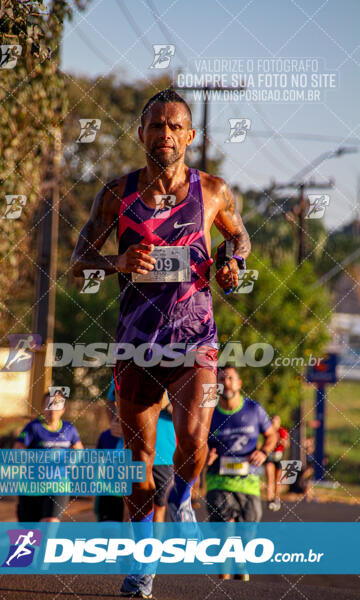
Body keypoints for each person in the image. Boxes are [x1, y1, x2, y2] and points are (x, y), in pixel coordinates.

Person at [71, 88, 250, 598]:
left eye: (175, 127)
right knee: (139, 465)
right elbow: (81, 256)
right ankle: (143, 566)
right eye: (156, 125)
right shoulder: (117, 193)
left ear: (190, 136)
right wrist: (116, 263)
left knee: (195, 438)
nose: (165, 134)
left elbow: (239, 237)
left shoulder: (213, 190)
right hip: (136, 344)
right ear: (141, 133)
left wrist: (234, 261)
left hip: (197, 339)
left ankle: (186, 496)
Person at [206, 365, 277, 581]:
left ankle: (241, 568)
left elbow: (271, 436)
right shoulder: (209, 412)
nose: (225, 382)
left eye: (230, 378)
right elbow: (196, 442)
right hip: (218, 480)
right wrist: (204, 455)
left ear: (239, 383)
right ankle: (224, 580)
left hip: (249, 482)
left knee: (247, 535)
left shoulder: (254, 409)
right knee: (224, 533)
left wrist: (264, 452)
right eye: (221, 379)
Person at [104, 379, 176, 523]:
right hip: (133, 450)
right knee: (131, 510)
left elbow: (185, 409)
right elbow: (110, 401)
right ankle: (131, 546)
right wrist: (113, 420)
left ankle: (154, 546)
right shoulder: (128, 365)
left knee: (158, 509)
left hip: (164, 453)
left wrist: (167, 403)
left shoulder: (173, 372)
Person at [14, 391, 83, 522]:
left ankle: (46, 543)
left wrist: (71, 463)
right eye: (48, 405)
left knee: (50, 523)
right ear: (42, 408)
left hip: (58, 485)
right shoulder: (33, 427)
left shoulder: (69, 429)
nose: (52, 409)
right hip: (32, 486)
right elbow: (17, 451)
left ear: (63, 409)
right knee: (27, 534)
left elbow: (79, 450)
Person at [265, 415, 289, 511]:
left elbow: (287, 444)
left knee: (277, 480)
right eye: (273, 421)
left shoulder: (282, 431)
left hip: (278, 456)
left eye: (276, 422)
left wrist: (282, 441)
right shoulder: (268, 431)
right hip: (270, 456)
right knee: (269, 478)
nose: (274, 423)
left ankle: (276, 498)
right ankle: (269, 499)